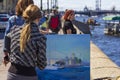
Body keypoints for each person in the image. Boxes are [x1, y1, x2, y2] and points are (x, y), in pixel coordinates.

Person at [4, 4, 47, 80]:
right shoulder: (40, 37)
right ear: (39, 18)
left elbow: (7, 37)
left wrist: (8, 56)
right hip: (28, 75)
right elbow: (42, 65)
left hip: (12, 74)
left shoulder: (14, 30)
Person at [3, 0, 34, 65]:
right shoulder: (34, 20)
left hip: (15, 56)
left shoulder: (13, 19)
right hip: (30, 56)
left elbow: (7, 38)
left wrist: (6, 56)